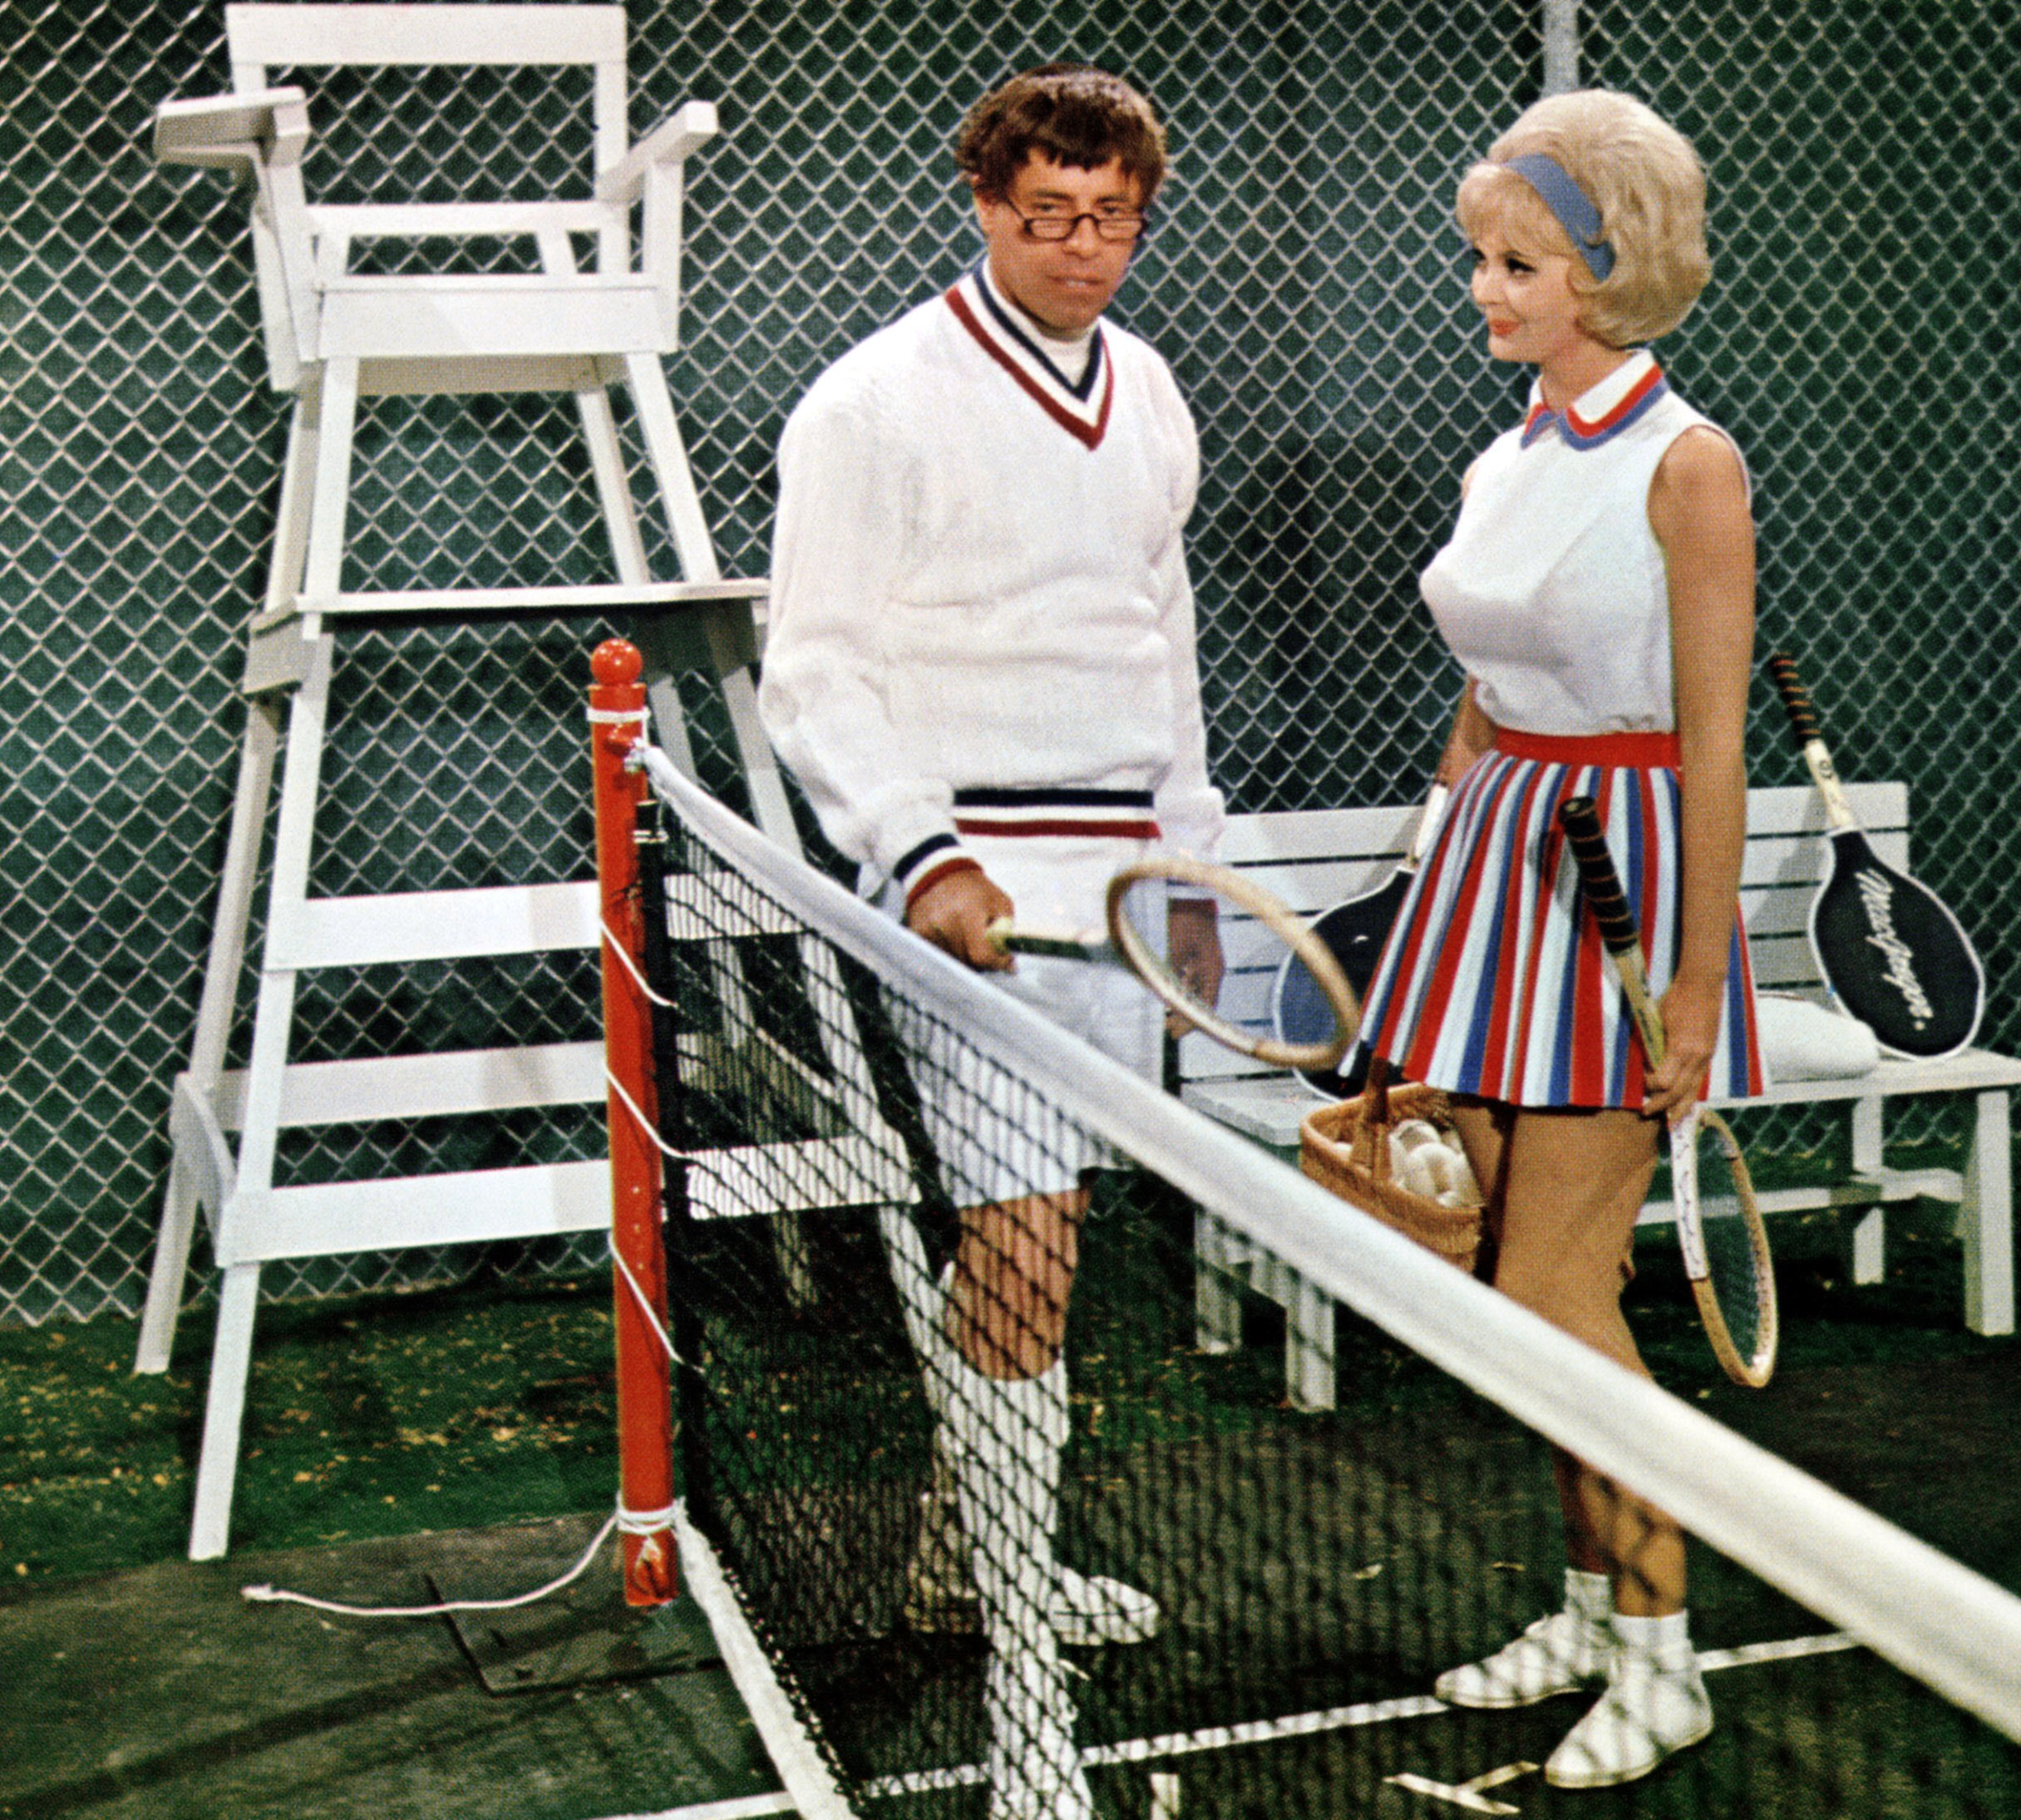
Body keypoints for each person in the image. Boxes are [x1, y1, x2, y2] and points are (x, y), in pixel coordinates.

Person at [757, 62, 1224, 1820]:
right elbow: (814, 668)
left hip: (1119, 883)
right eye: (1049, 216)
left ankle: (973, 1570)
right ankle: (1031, 1703)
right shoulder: (873, 402)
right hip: (966, 887)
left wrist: (1191, 864)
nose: (1082, 248)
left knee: (1045, 1244)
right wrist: (921, 847)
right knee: (1023, 1250)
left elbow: (1161, 640)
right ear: (982, 204)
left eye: (1113, 220)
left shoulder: (1150, 391)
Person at [1350, 88, 1763, 1788]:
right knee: (1517, 1296)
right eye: (1483, 258)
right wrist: (1428, 869)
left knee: (1553, 1287)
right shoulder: (1506, 455)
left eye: (1518, 264)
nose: (1485, 290)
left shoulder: (1690, 464)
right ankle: (1592, 1610)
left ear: (1605, 270)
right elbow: (1483, 690)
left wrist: (1693, 984)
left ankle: (1665, 1659)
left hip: (1622, 888)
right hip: (1494, 874)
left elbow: (1714, 745)